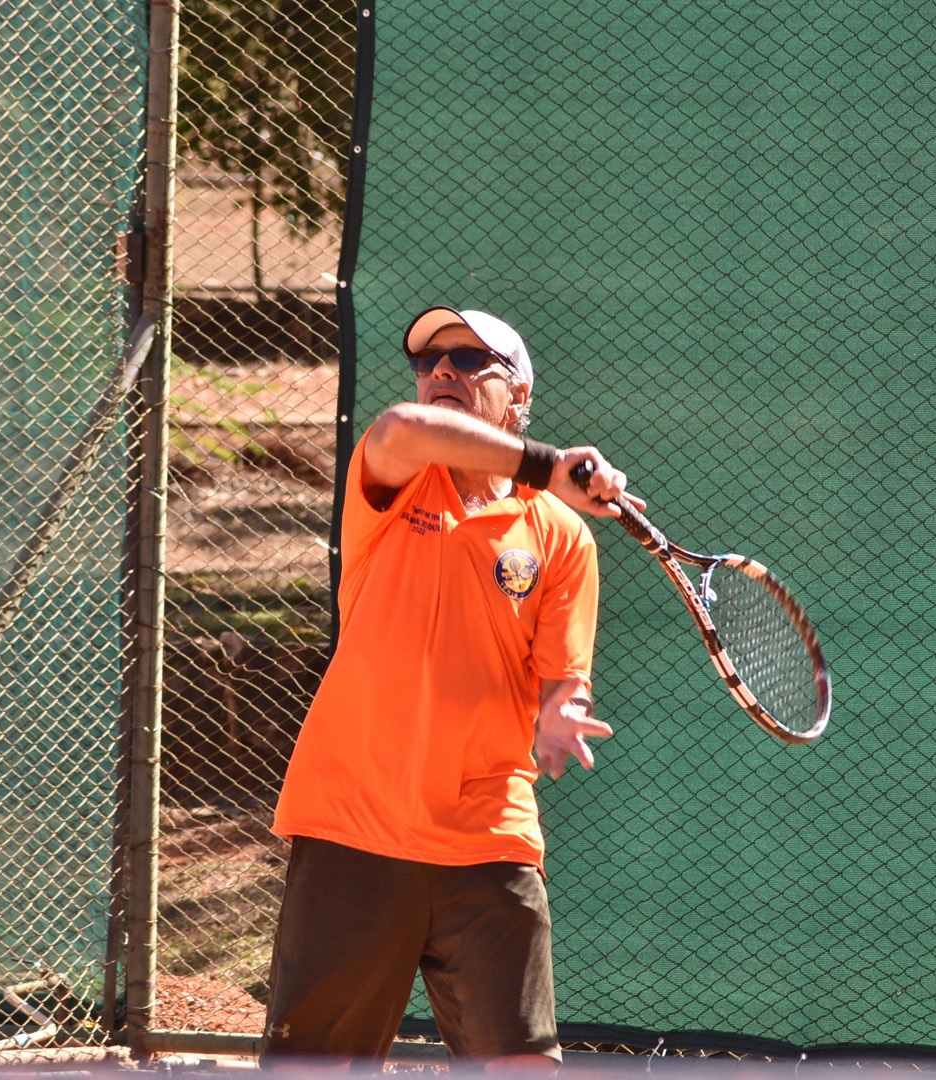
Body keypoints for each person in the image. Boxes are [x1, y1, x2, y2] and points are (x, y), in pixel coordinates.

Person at [260, 305, 639, 1070]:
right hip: (353, 822)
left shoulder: (562, 537)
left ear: (519, 392)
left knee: (521, 1063)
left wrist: (563, 713)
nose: (441, 370)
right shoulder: (394, 480)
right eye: (429, 361)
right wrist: (549, 465)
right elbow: (405, 426)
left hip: (488, 833)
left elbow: (565, 676)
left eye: (469, 361)